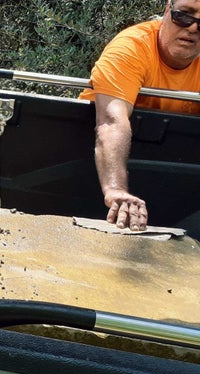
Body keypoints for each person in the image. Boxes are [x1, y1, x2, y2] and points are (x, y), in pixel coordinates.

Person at [79, 0, 200, 231]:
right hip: (92, 171)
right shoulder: (132, 47)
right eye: (184, 16)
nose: (193, 28)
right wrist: (116, 190)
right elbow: (111, 121)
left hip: (177, 185)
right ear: (167, 10)